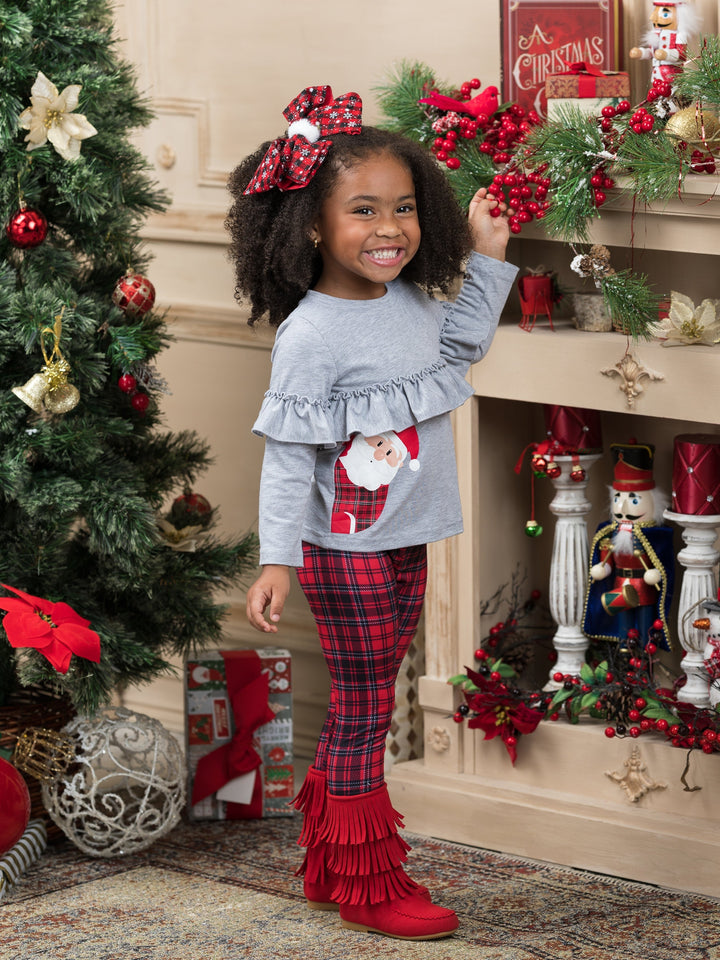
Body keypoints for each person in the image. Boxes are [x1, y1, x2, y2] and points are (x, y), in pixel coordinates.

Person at [226, 85, 518, 941]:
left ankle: (330, 864)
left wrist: (487, 255)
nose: (389, 228)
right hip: (344, 548)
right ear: (313, 227)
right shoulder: (310, 336)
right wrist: (277, 558)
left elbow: (460, 346)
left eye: (403, 208)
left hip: (407, 534)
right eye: (363, 211)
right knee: (363, 705)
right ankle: (370, 882)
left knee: (367, 696)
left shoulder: (410, 302)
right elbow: (288, 458)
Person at [583, 443, 674, 650]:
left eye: (633, 501)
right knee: (623, 630)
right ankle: (624, 658)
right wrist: (602, 569)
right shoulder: (608, 532)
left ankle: (644, 657)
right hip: (620, 586)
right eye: (618, 499)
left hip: (644, 587)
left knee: (645, 627)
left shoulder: (656, 535)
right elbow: (606, 560)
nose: (622, 508)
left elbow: (663, 561)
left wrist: (655, 574)